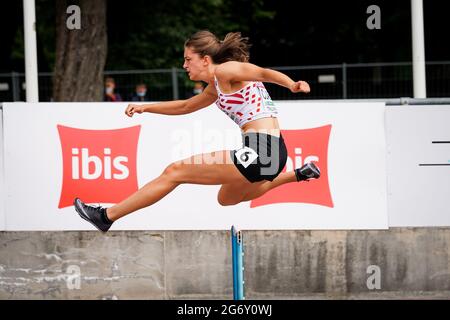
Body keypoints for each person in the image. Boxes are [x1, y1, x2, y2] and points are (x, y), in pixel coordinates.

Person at [74, 31, 321, 232]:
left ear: (205, 59)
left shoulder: (226, 71)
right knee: (226, 199)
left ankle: (107, 216)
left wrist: (292, 84)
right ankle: (298, 174)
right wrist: (145, 107)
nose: (184, 65)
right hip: (273, 155)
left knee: (175, 171)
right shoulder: (215, 87)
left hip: (261, 150)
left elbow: (263, 73)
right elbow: (186, 106)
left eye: (187, 59)